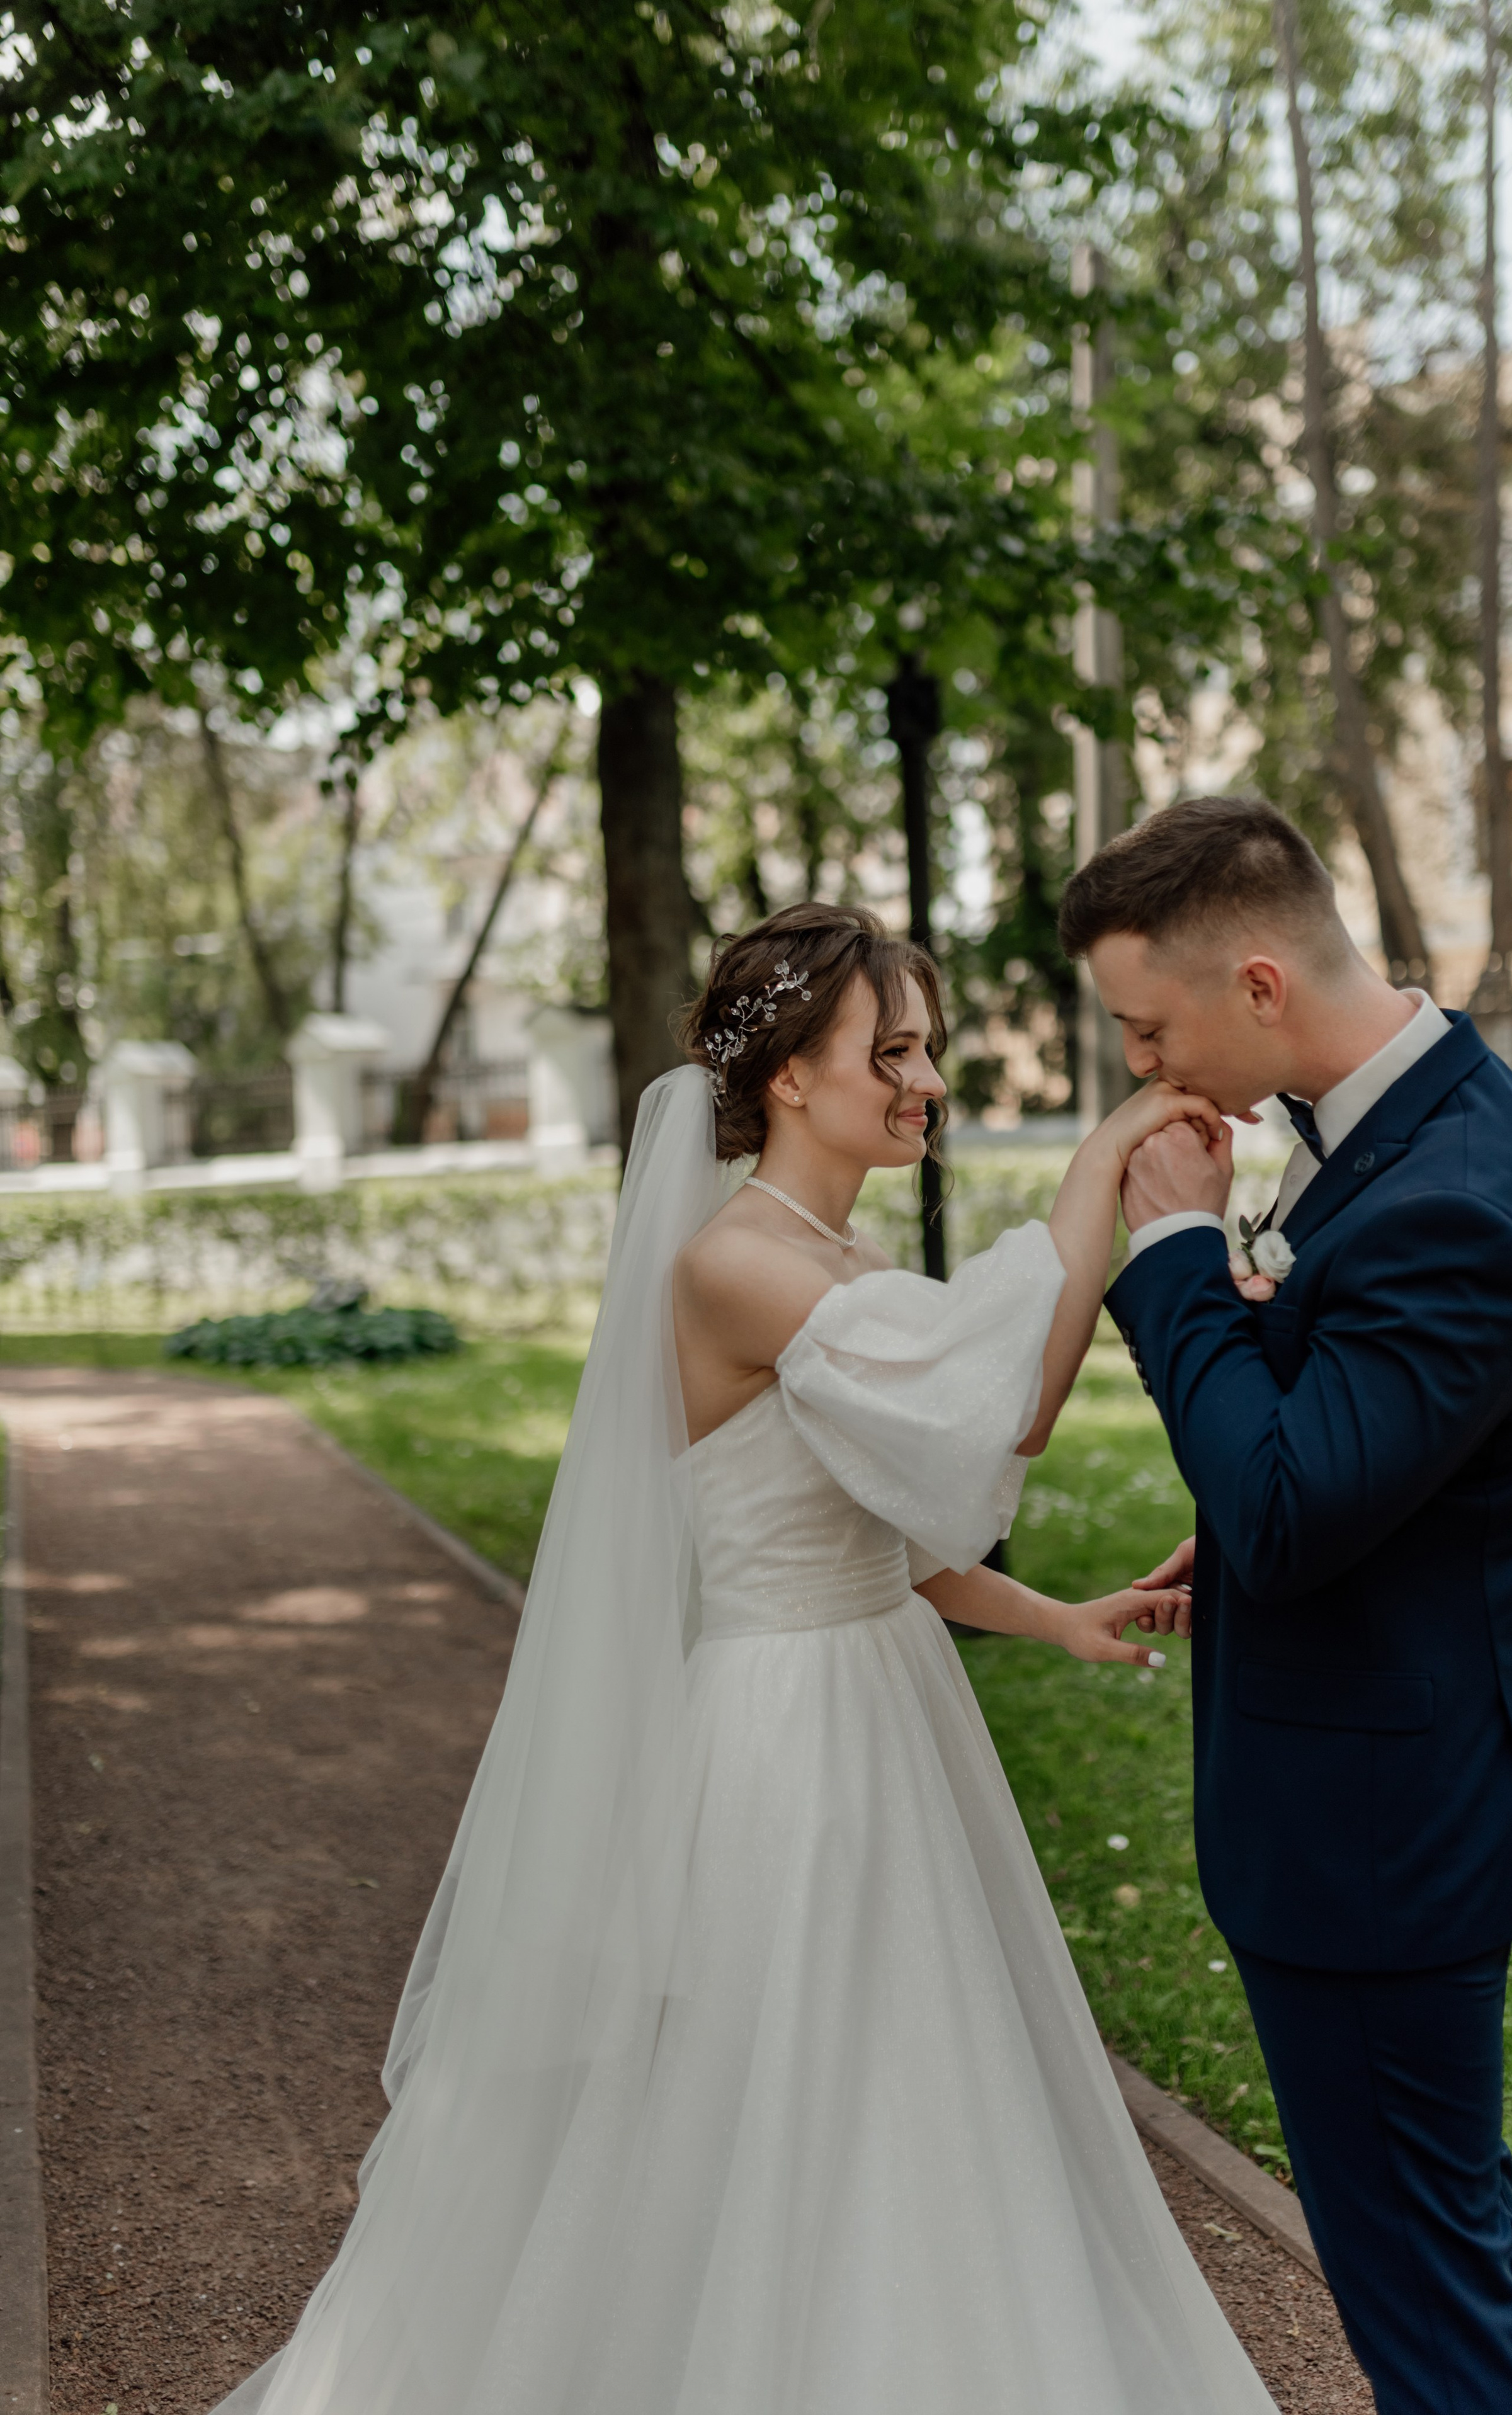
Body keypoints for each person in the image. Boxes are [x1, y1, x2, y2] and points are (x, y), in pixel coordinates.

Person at [212, 899, 1280, 2415]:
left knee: (902, 2095)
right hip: (782, 1745)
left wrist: (1053, 1612)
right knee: (776, 2097)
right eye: (892, 1051)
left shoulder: (824, 1256)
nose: (924, 1081)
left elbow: (889, 1534)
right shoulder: (736, 1266)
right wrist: (1100, 1169)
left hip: (885, 1712)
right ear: (788, 1075)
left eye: (925, 1050)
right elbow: (1005, 1414)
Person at [1061, 795, 1512, 2415]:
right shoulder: (1404, 1128)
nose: (1146, 1071)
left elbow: (1289, 1510)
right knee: (1441, 2231)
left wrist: (1165, 1253)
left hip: (1383, 1826)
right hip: (1409, 1777)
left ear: (1252, 983)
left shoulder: (1450, 1192)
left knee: (1420, 2279)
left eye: (1148, 1028)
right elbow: (1346, 1469)